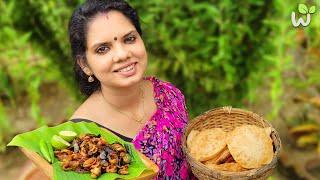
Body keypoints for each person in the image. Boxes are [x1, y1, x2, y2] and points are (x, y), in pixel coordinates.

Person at [68, 0, 194, 179]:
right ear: (85, 65)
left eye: (129, 39)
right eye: (102, 49)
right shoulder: (82, 137)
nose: (122, 54)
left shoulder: (167, 94)